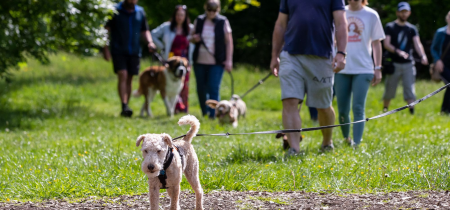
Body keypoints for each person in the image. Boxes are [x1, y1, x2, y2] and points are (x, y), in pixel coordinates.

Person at [270, 0, 348, 154]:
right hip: (291, 55)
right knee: (290, 100)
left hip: (321, 56)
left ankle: (327, 142)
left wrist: (341, 53)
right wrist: (274, 56)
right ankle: (294, 149)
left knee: (323, 105)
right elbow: (280, 24)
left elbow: (341, 23)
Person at [334, 0, 385, 147]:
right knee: (343, 109)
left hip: (363, 68)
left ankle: (356, 143)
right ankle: (346, 139)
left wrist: (378, 67)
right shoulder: (339, 11)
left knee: (358, 107)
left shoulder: (371, 15)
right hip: (341, 68)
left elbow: (376, 43)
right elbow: (332, 38)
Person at [103, 0, 156, 117]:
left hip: (134, 51)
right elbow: (106, 29)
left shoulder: (140, 12)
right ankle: (124, 105)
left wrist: (150, 42)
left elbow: (145, 30)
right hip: (118, 50)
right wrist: (105, 48)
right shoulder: (115, 10)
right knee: (123, 74)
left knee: (130, 78)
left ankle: (126, 105)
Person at [382, 2, 428, 115]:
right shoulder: (390, 26)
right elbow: (386, 44)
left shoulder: (412, 28)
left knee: (409, 88)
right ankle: (385, 110)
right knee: (390, 89)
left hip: (408, 63)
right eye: (402, 12)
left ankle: (411, 112)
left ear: (409, 13)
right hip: (394, 63)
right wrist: (398, 52)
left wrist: (423, 55)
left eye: (406, 12)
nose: (403, 14)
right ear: (397, 12)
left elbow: (417, 44)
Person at [190, 0, 233, 119]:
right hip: (199, 61)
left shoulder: (223, 21)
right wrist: (194, 38)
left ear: (218, 9)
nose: (211, 12)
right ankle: (205, 112)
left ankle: (214, 115)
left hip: (217, 62)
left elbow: (229, 42)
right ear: (205, 8)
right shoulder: (199, 20)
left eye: (214, 9)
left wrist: (229, 60)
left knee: (213, 87)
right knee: (201, 89)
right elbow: (191, 37)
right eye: (209, 9)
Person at [151, 5, 194, 114]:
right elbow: (152, 35)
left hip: (185, 61)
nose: (179, 17)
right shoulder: (167, 27)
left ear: (185, 17)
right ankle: (173, 109)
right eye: (178, 15)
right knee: (170, 83)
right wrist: (161, 47)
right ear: (174, 16)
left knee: (183, 86)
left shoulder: (191, 29)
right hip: (171, 61)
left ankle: (183, 108)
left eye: (182, 15)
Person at [430, 11, 450, 114]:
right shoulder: (440, 32)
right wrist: (437, 60)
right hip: (443, 65)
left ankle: (445, 110)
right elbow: (433, 48)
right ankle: (445, 110)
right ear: (447, 19)